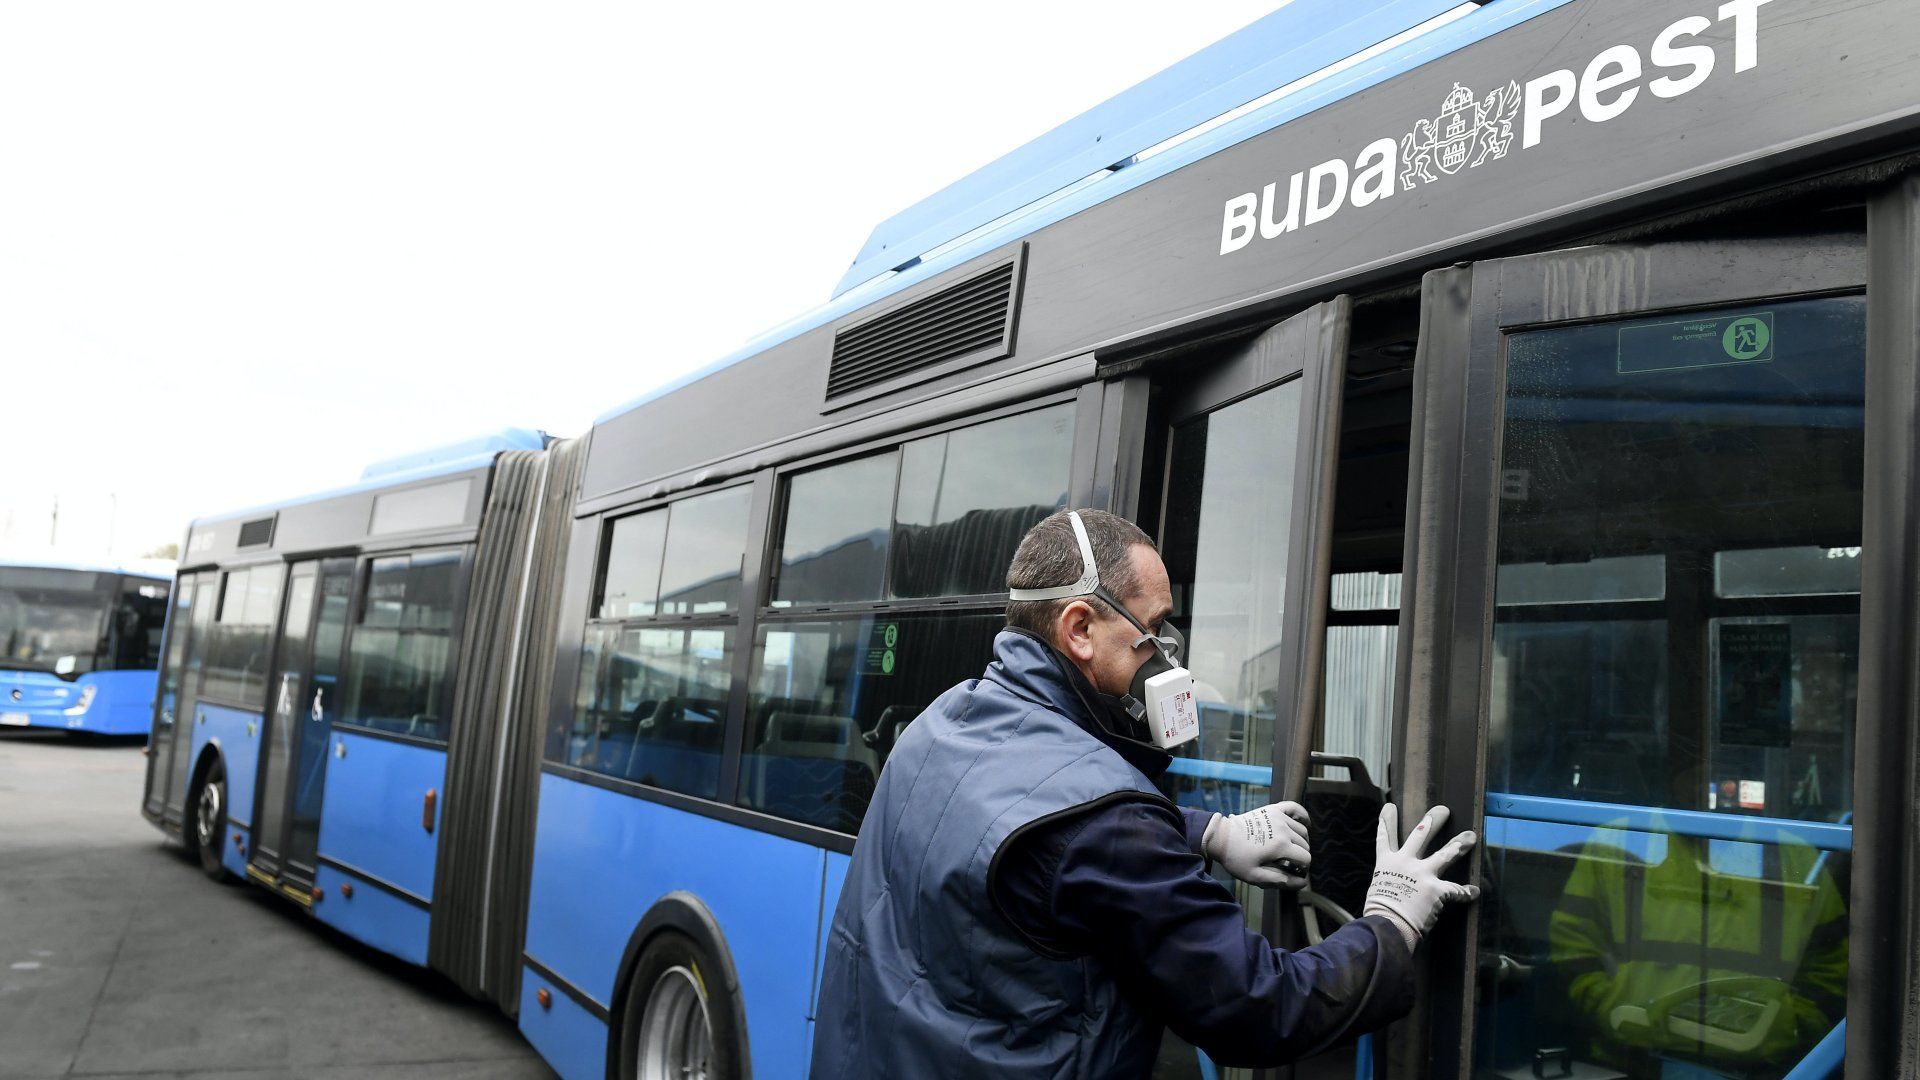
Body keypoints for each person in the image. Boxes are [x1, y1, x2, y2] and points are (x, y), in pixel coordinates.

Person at [811, 509, 1479, 1078]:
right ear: (1079, 629)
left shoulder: (944, 720)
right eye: (1154, 628)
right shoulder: (1105, 825)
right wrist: (1390, 924)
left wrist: (1209, 832)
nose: (1167, 654)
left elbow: (1037, 823)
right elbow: (1260, 1005)